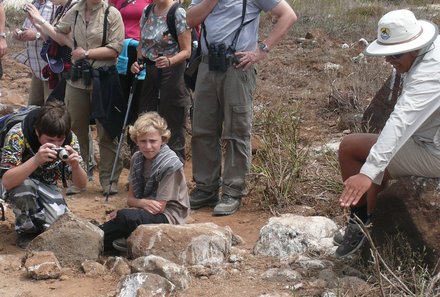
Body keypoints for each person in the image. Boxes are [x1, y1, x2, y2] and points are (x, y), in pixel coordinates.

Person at [335, 9, 440, 258]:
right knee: (355, 146)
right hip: (427, 139)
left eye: (395, 54)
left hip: (435, 151)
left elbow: (401, 121)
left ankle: (365, 226)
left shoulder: (431, 74)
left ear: (416, 47)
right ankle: (364, 222)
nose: (389, 60)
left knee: (357, 154)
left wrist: (368, 173)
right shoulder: (431, 51)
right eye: (386, 53)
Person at [187, 0, 297, 216]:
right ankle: (206, 188)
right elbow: (190, 20)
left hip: (237, 67)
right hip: (207, 65)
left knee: (236, 131)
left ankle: (233, 191)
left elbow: (288, 15)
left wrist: (261, 50)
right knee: (202, 130)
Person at [29, 0, 126, 196]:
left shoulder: (112, 13)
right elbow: (58, 31)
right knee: (74, 128)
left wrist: (86, 53)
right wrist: (67, 41)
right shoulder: (76, 10)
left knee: (106, 129)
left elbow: (116, 48)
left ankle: (109, 180)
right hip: (77, 78)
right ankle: (79, 177)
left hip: (103, 77)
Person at [0, 101, 87, 249]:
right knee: (24, 188)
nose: (57, 145)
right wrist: (36, 160)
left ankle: (39, 220)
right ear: (37, 132)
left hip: (46, 183)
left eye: (60, 140)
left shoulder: (69, 139)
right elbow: (7, 181)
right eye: (50, 140)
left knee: (57, 226)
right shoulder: (18, 134)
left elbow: (82, 184)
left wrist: (75, 166)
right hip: (17, 180)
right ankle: (26, 230)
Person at [99, 112, 189, 252]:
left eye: (153, 141)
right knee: (122, 218)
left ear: (163, 140)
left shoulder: (170, 164)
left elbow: (158, 207)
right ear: (136, 140)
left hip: (169, 215)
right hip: (146, 209)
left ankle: (97, 239)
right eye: (143, 141)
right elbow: (130, 199)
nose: (148, 146)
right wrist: (139, 204)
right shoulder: (137, 158)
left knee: (125, 217)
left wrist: (135, 206)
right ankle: (104, 240)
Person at [130, 0, 191, 163]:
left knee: (173, 119)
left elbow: (187, 51)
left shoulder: (178, 13)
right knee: (145, 117)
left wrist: (170, 61)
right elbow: (142, 45)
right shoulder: (147, 11)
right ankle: (143, 170)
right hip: (150, 71)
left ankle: (173, 170)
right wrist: (138, 63)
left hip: (173, 71)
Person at [13, 0, 56, 106]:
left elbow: (59, 34)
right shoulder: (33, 5)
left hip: (51, 69)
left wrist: (37, 35)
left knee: (51, 109)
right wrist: (20, 34)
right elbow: (28, 28)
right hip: (36, 68)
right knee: (33, 107)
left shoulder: (55, 6)